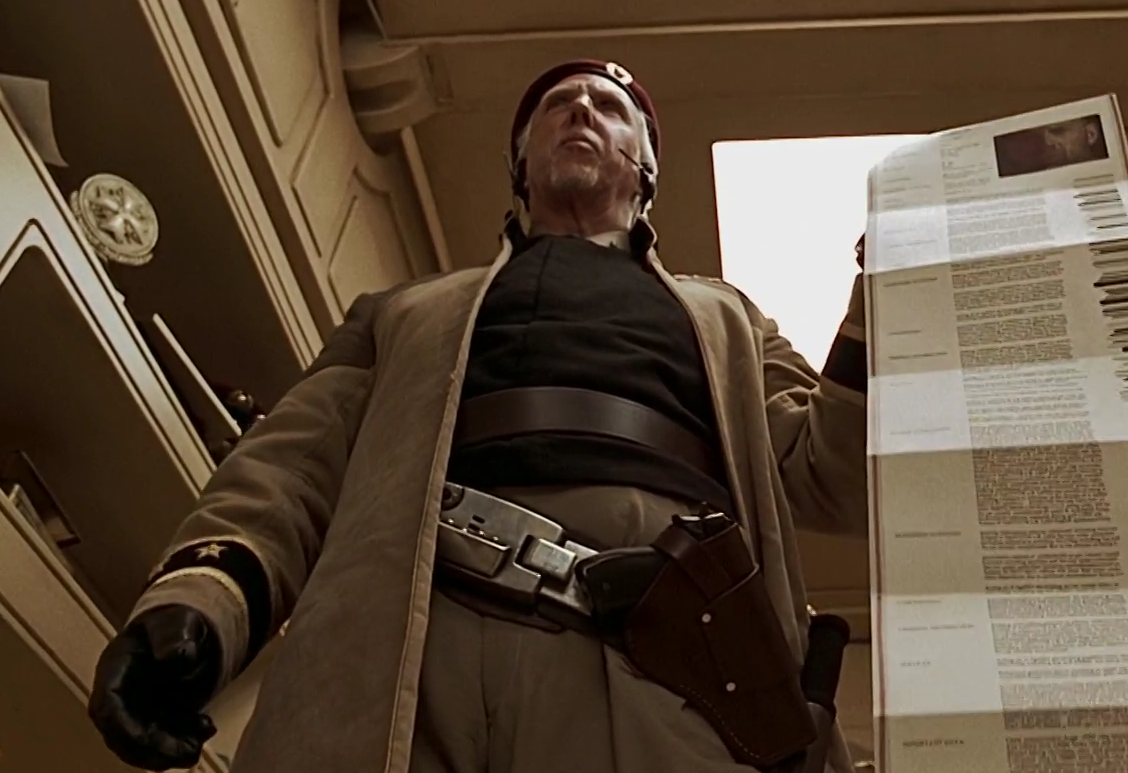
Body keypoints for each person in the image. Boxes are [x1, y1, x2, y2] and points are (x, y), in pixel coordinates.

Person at [87, 59, 868, 773]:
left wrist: (884, 301)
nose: (580, 111)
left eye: (607, 107)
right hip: (407, 644)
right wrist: (200, 600)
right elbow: (290, 468)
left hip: (665, 660)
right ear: (519, 165)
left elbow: (830, 471)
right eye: (557, 106)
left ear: (647, 169)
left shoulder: (730, 319)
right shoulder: (403, 312)